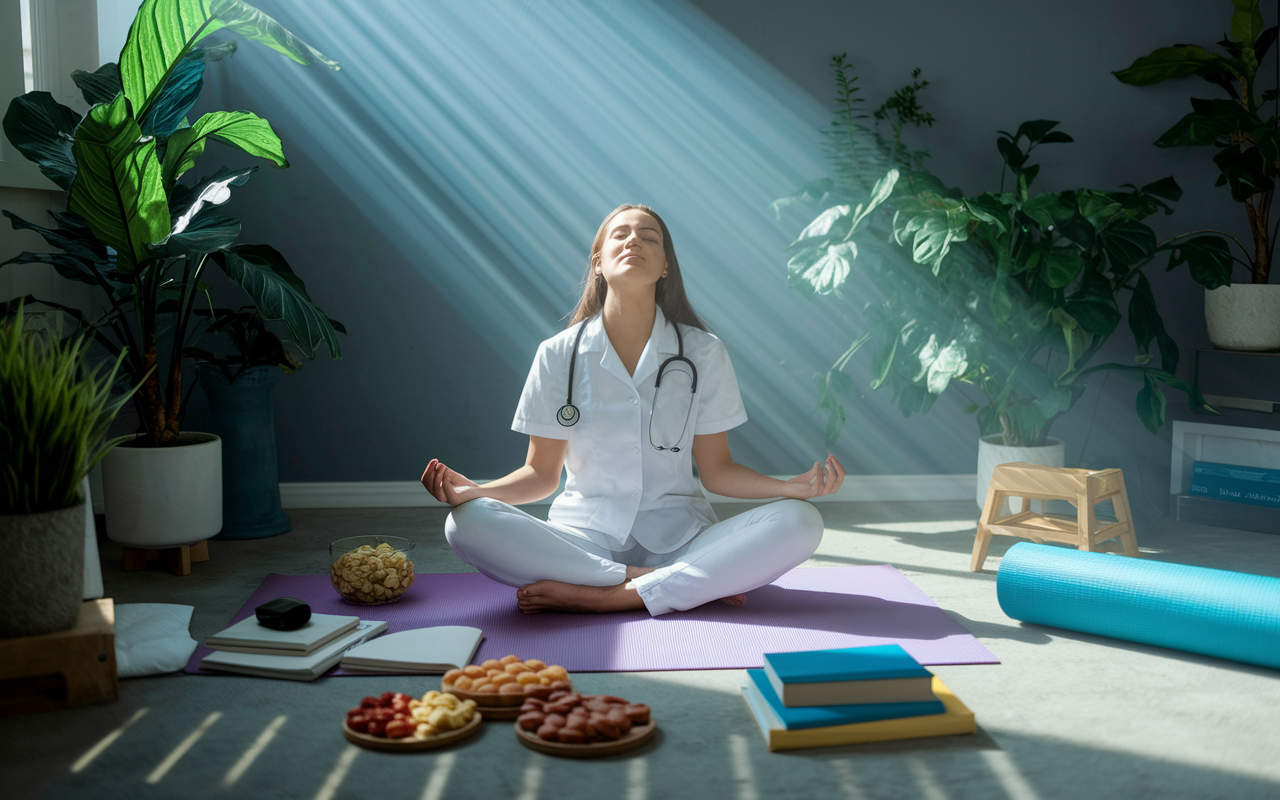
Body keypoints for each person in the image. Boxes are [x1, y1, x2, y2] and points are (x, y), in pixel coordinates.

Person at [421, 204, 845, 615]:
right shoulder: (557, 354)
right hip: (584, 537)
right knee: (464, 524)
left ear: (665, 266)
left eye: (649, 237)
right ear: (598, 262)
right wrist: (479, 492)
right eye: (620, 235)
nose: (633, 242)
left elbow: (717, 472)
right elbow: (541, 476)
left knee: (801, 521)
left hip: (681, 535)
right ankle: (662, 582)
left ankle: (608, 595)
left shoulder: (703, 351)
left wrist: (788, 488)